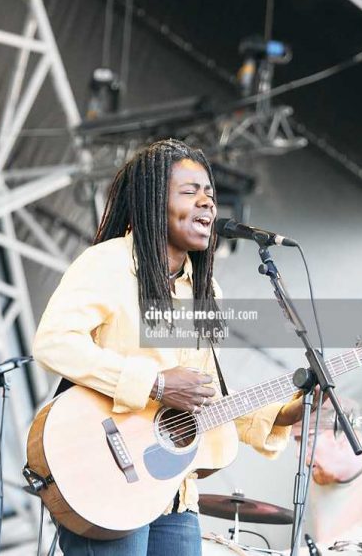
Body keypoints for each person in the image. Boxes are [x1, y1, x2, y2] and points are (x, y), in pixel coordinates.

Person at [32, 138, 308, 556]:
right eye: (190, 192)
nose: (207, 204)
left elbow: (204, 394)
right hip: (106, 476)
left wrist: (282, 415)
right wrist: (155, 384)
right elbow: (53, 343)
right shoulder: (110, 264)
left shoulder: (201, 289)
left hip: (176, 491)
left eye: (210, 195)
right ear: (152, 201)